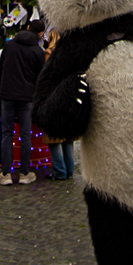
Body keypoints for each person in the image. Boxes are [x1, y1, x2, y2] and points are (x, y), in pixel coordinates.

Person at [0, 19, 46, 186]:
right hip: (27, 96)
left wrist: (2, 88)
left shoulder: (9, 46)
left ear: (28, 27)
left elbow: (1, 69)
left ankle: (6, 173)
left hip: (8, 94)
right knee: (25, 134)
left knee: (7, 134)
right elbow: (40, 76)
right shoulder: (37, 51)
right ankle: (24, 173)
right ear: (40, 34)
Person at [43, 30, 75, 181]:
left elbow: (47, 76)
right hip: (69, 96)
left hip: (54, 97)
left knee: (54, 137)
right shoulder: (71, 52)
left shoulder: (49, 53)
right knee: (67, 137)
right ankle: (69, 170)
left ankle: (59, 171)